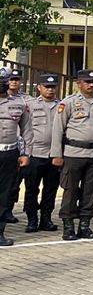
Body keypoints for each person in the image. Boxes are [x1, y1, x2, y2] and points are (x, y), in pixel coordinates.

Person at [51, 69, 93, 241]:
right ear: (79, 83)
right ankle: (68, 226)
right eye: (87, 82)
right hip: (74, 153)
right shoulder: (69, 103)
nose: (91, 85)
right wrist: (57, 154)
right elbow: (58, 129)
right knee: (70, 191)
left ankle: (85, 225)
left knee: (91, 191)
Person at [21, 75, 61, 234]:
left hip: (54, 153)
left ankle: (46, 218)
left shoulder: (62, 105)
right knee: (31, 189)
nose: (50, 89)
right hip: (35, 153)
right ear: (39, 88)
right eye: (46, 86)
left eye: (52, 87)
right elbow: (22, 128)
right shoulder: (29, 105)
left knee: (51, 189)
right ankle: (32, 219)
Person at [0, 71, 28, 244]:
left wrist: (25, 153)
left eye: (5, 80)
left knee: (4, 194)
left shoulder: (20, 103)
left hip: (10, 153)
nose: (3, 83)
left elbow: (27, 130)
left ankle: (0, 231)